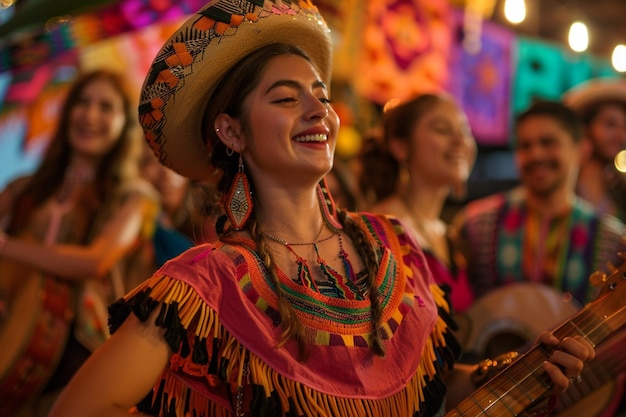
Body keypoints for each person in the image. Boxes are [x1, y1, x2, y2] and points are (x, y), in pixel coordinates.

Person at [49, 2, 594, 416]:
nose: (317, 111)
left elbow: (433, 386)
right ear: (232, 130)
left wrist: (511, 373)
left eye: (320, 95)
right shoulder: (205, 286)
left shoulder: (395, 248)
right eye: (286, 98)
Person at [0, 69, 160, 417]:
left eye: (106, 107)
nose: (91, 115)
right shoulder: (23, 189)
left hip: (84, 352)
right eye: (83, 103)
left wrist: (6, 246)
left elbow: (96, 260)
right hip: (11, 347)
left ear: (123, 124)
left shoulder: (135, 198)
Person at [453, 100, 626, 306]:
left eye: (548, 142)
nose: (536, 154)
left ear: (582, 150)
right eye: (525, 146)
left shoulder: (612, 240)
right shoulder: (475, 225)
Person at [364, 94, 476, 314]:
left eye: (465, 131)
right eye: (442, 129)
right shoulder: (379, 230)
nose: (460, 141)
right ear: (400, 147)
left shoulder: (450, 235)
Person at [562, 78, 626, 222]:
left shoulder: (621, 190)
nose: (621, 136)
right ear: (584, 129)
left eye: (624, 127)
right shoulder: (562, 185)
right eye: (610, 125)